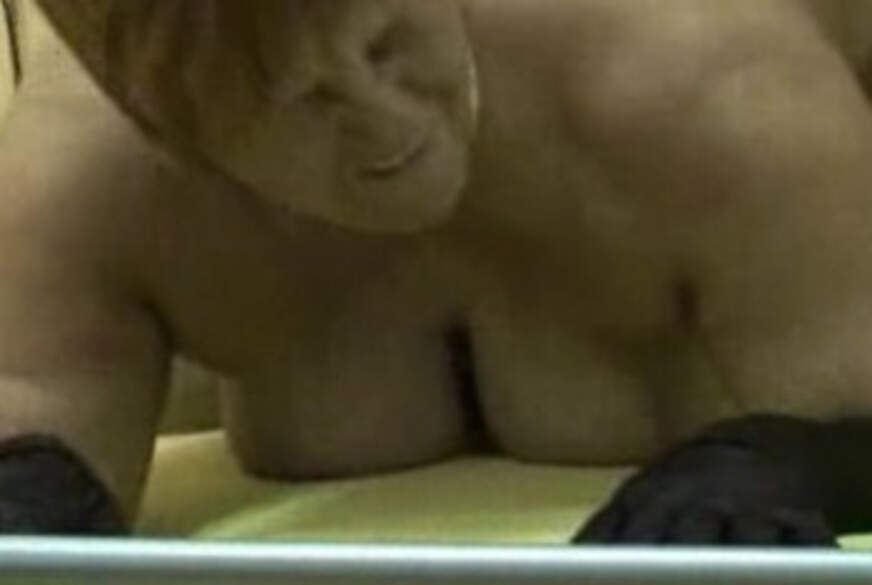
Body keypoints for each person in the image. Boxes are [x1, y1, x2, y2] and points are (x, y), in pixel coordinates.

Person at [4, 0, 872, 542]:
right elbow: (26, 448)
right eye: (310, 102)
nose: (387, 120)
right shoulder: (90, 167)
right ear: (177, 136)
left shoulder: (706, 84)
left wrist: (776, 466)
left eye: (388, 44)